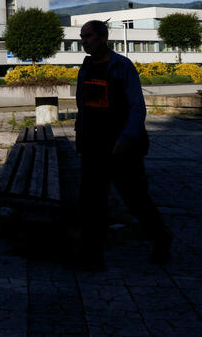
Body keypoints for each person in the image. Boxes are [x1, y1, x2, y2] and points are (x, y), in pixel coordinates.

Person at [75, 20, 172, 268]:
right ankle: (91, 255)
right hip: (92, 147)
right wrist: (81, 136)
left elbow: (137, 107)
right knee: (92, 203)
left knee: (136, 199)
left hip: (120, 147)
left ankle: (161, 239)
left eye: (88, 36)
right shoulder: (84, 68)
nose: (84, 41)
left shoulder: (122, 66)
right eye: (82, 36)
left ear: (103, 37)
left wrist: (127, 138)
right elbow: (82, 107)